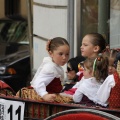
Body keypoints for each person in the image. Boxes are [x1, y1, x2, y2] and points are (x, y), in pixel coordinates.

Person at [16, 37, 70, 102]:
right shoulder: (50, 68)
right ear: (51, 53)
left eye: (67, 54)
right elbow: (38, 83)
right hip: (43, 100)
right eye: (60, 54)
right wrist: (44, 95)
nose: (64, 57)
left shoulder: (55, 66)